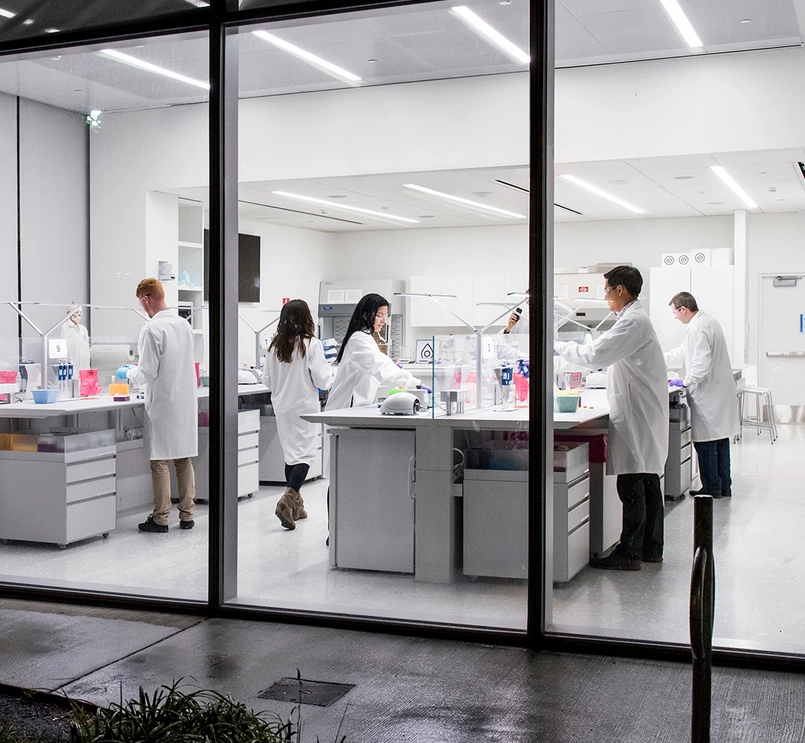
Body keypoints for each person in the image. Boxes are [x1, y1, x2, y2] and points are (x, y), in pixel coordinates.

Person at [554, 266, 668, 571]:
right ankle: (650, 548)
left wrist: (556, 345)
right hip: (641, 408)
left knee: (632, 483)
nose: (605, 297)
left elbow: (594, 355)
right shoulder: (633, 319)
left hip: (637, 411)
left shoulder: (633, 322)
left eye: (606, 290)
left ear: (620, 290)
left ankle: (629, 553)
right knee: (645, 479)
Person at [127, 278, 198, 533]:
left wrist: (128, 375)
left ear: (146, 299)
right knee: (183, 458)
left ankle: (161, 519)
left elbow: (146, 371)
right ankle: (188, 515)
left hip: (164, 404)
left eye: (141, 302)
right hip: (185, 402)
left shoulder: (151, 330)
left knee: (160, 461)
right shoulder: (184, 325)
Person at [262, 299, 333, 530]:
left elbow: (266, 380)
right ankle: (287, 501)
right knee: (305, 456)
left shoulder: (275, 346)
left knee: (291, 455)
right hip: (304, 407)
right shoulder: (311, 344)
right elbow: (322, 379)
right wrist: (330, 375)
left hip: (282, 406)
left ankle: (297, 507)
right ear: (307, 318)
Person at [665, 291, 739, 498]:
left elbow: (701, 364)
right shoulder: (707, 322)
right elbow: (684, 351)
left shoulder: (697, 327)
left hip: (708, 395)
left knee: (705, 443)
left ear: (683, 309)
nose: (675, 317)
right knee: (720, 441)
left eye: (675, 313)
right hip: (717, 394)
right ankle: (724, 486)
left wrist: (686, 381)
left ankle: (711, 489)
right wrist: (659, 358)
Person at [326, 293, 421, 410]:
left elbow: (376, 362)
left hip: (354, 409)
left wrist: (393, 366)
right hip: (345, 409)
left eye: (385, 316)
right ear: (365, 315)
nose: (383, 321)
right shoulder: (359, 338)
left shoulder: (365, 337)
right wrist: (414, 383)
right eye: (379, 315)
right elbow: (379, 365)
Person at [61, 304, 90, 370]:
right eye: (76, 312)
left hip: (84, 365)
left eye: (80, 313)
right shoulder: (65, 327)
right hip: (72, 364)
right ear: (71, 313)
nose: (79, 315)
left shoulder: (83, 328)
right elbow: (64, 347)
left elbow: (87, 350)